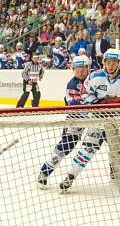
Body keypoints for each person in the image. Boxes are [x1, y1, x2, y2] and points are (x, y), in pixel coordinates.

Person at [59, 49, 120, 192]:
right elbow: (85, 94)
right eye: (108, 62)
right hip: (99, 118)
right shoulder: (94, 76)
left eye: (114, 63)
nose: (110, 66)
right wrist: (97, 104)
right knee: (88, 148)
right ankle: (70, 176)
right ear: (103, 62)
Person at [37, 56, 92, 188]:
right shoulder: (71, 84)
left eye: (83, 68)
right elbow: (74, 104)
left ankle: (115, 171)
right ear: (73, 69)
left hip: (98, 119)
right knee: (64, 146)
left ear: (88, 68)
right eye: (77, 68)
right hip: (76, 119)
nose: (80, 71)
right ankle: (44, 173)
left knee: (108, 141)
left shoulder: (95, 78)